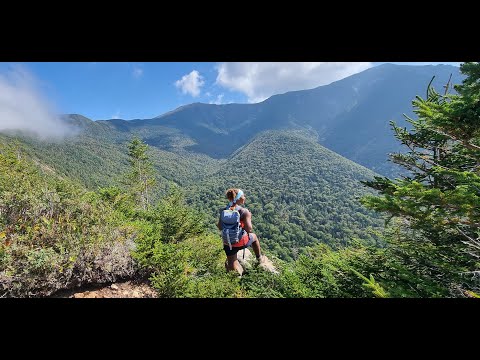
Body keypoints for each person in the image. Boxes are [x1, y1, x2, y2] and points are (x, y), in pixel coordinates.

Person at [217, 188, 265, 275]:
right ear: (238, 198)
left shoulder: (224, 210)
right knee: (254, 237)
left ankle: (234, 277)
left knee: (231, 262)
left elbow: (220, 227)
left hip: (227, 242)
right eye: (243, 195)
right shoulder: (243, 211)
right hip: (240, 241)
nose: (244, 197)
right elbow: (249, 229)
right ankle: (259, 258)